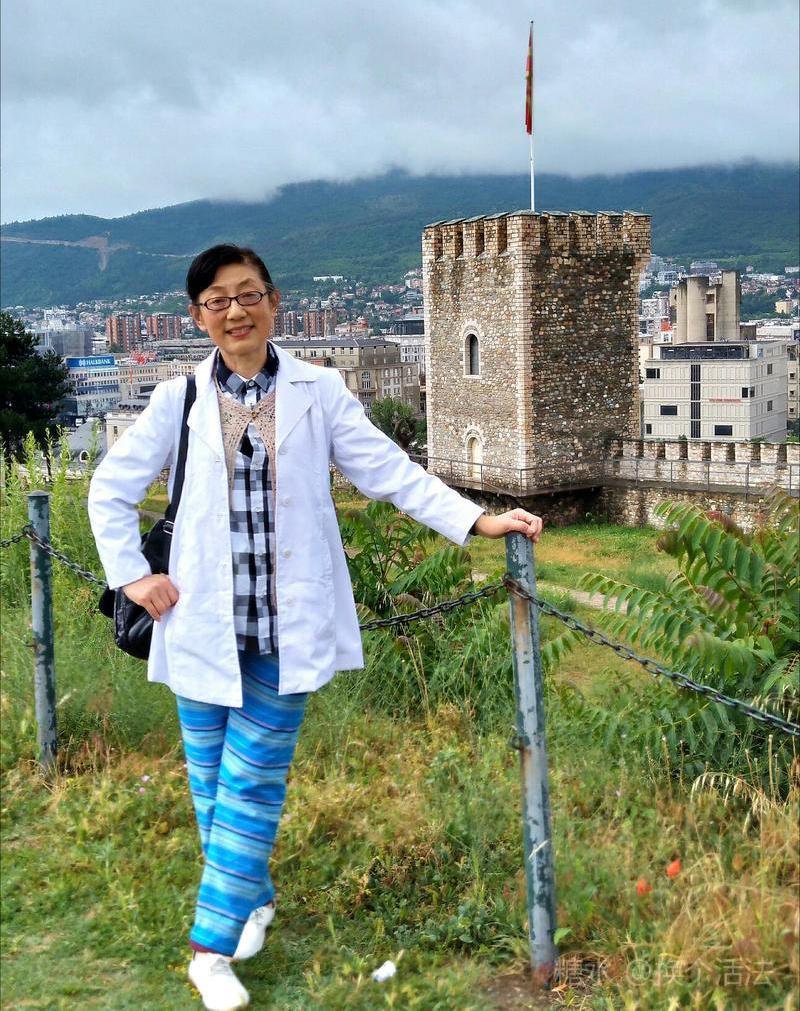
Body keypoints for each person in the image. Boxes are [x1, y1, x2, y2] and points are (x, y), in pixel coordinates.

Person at [88, 243, 543, 1011]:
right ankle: (252, 898)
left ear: (274, 302)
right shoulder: (179, 399)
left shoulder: (319, 390)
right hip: (200, 626)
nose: (236, 311)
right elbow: (110, 487)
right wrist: (132, 574)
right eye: (218, 300)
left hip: (284, 631)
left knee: (252, 783)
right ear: (198, 316)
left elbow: (388, 472)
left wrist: (476, 520)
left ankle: (209, 950)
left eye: (249, 294)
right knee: (212, 786)